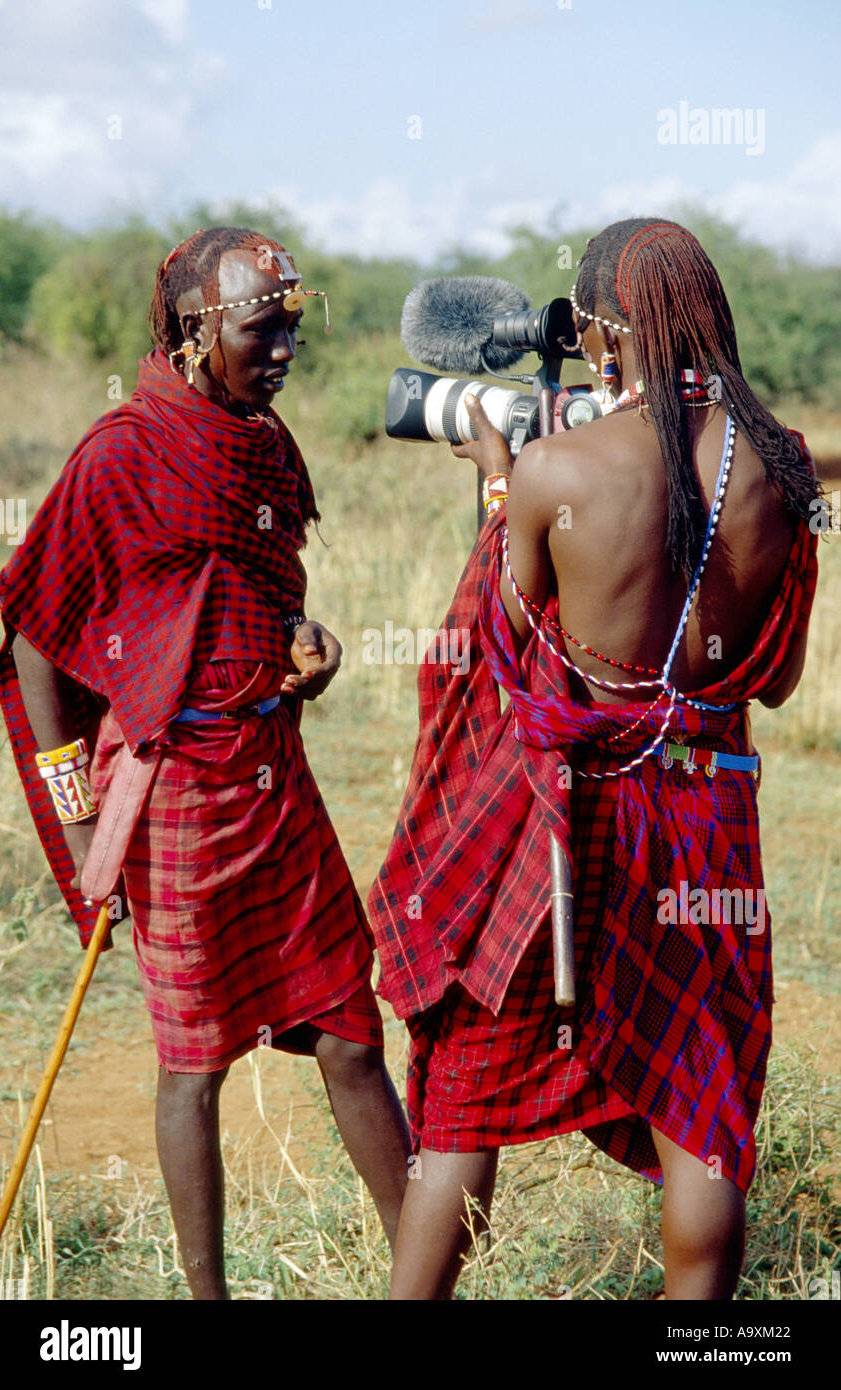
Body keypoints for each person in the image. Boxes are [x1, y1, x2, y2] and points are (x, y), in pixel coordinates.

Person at [368, 217, 820, 1301]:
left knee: (465, 1089)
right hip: (708, 821)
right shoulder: (784, 468)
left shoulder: (551, 469)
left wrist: (496, 480)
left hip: (568, 827)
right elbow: (776, 678)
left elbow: (500, 655)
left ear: (599, 336)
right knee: (698, 1101)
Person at [0, 226, 411, 1300]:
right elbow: (36, 634)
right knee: (196, 1062)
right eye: (261, 330)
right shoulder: (122, 451)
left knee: (350, 1032)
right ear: (195, 330)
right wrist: (80, 822)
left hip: (273, 768)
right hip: (174, 788)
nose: (283, 351)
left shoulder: (259, 441)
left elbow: (254, 594)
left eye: (290, 330)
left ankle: (427, 1274)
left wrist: (300, 642)